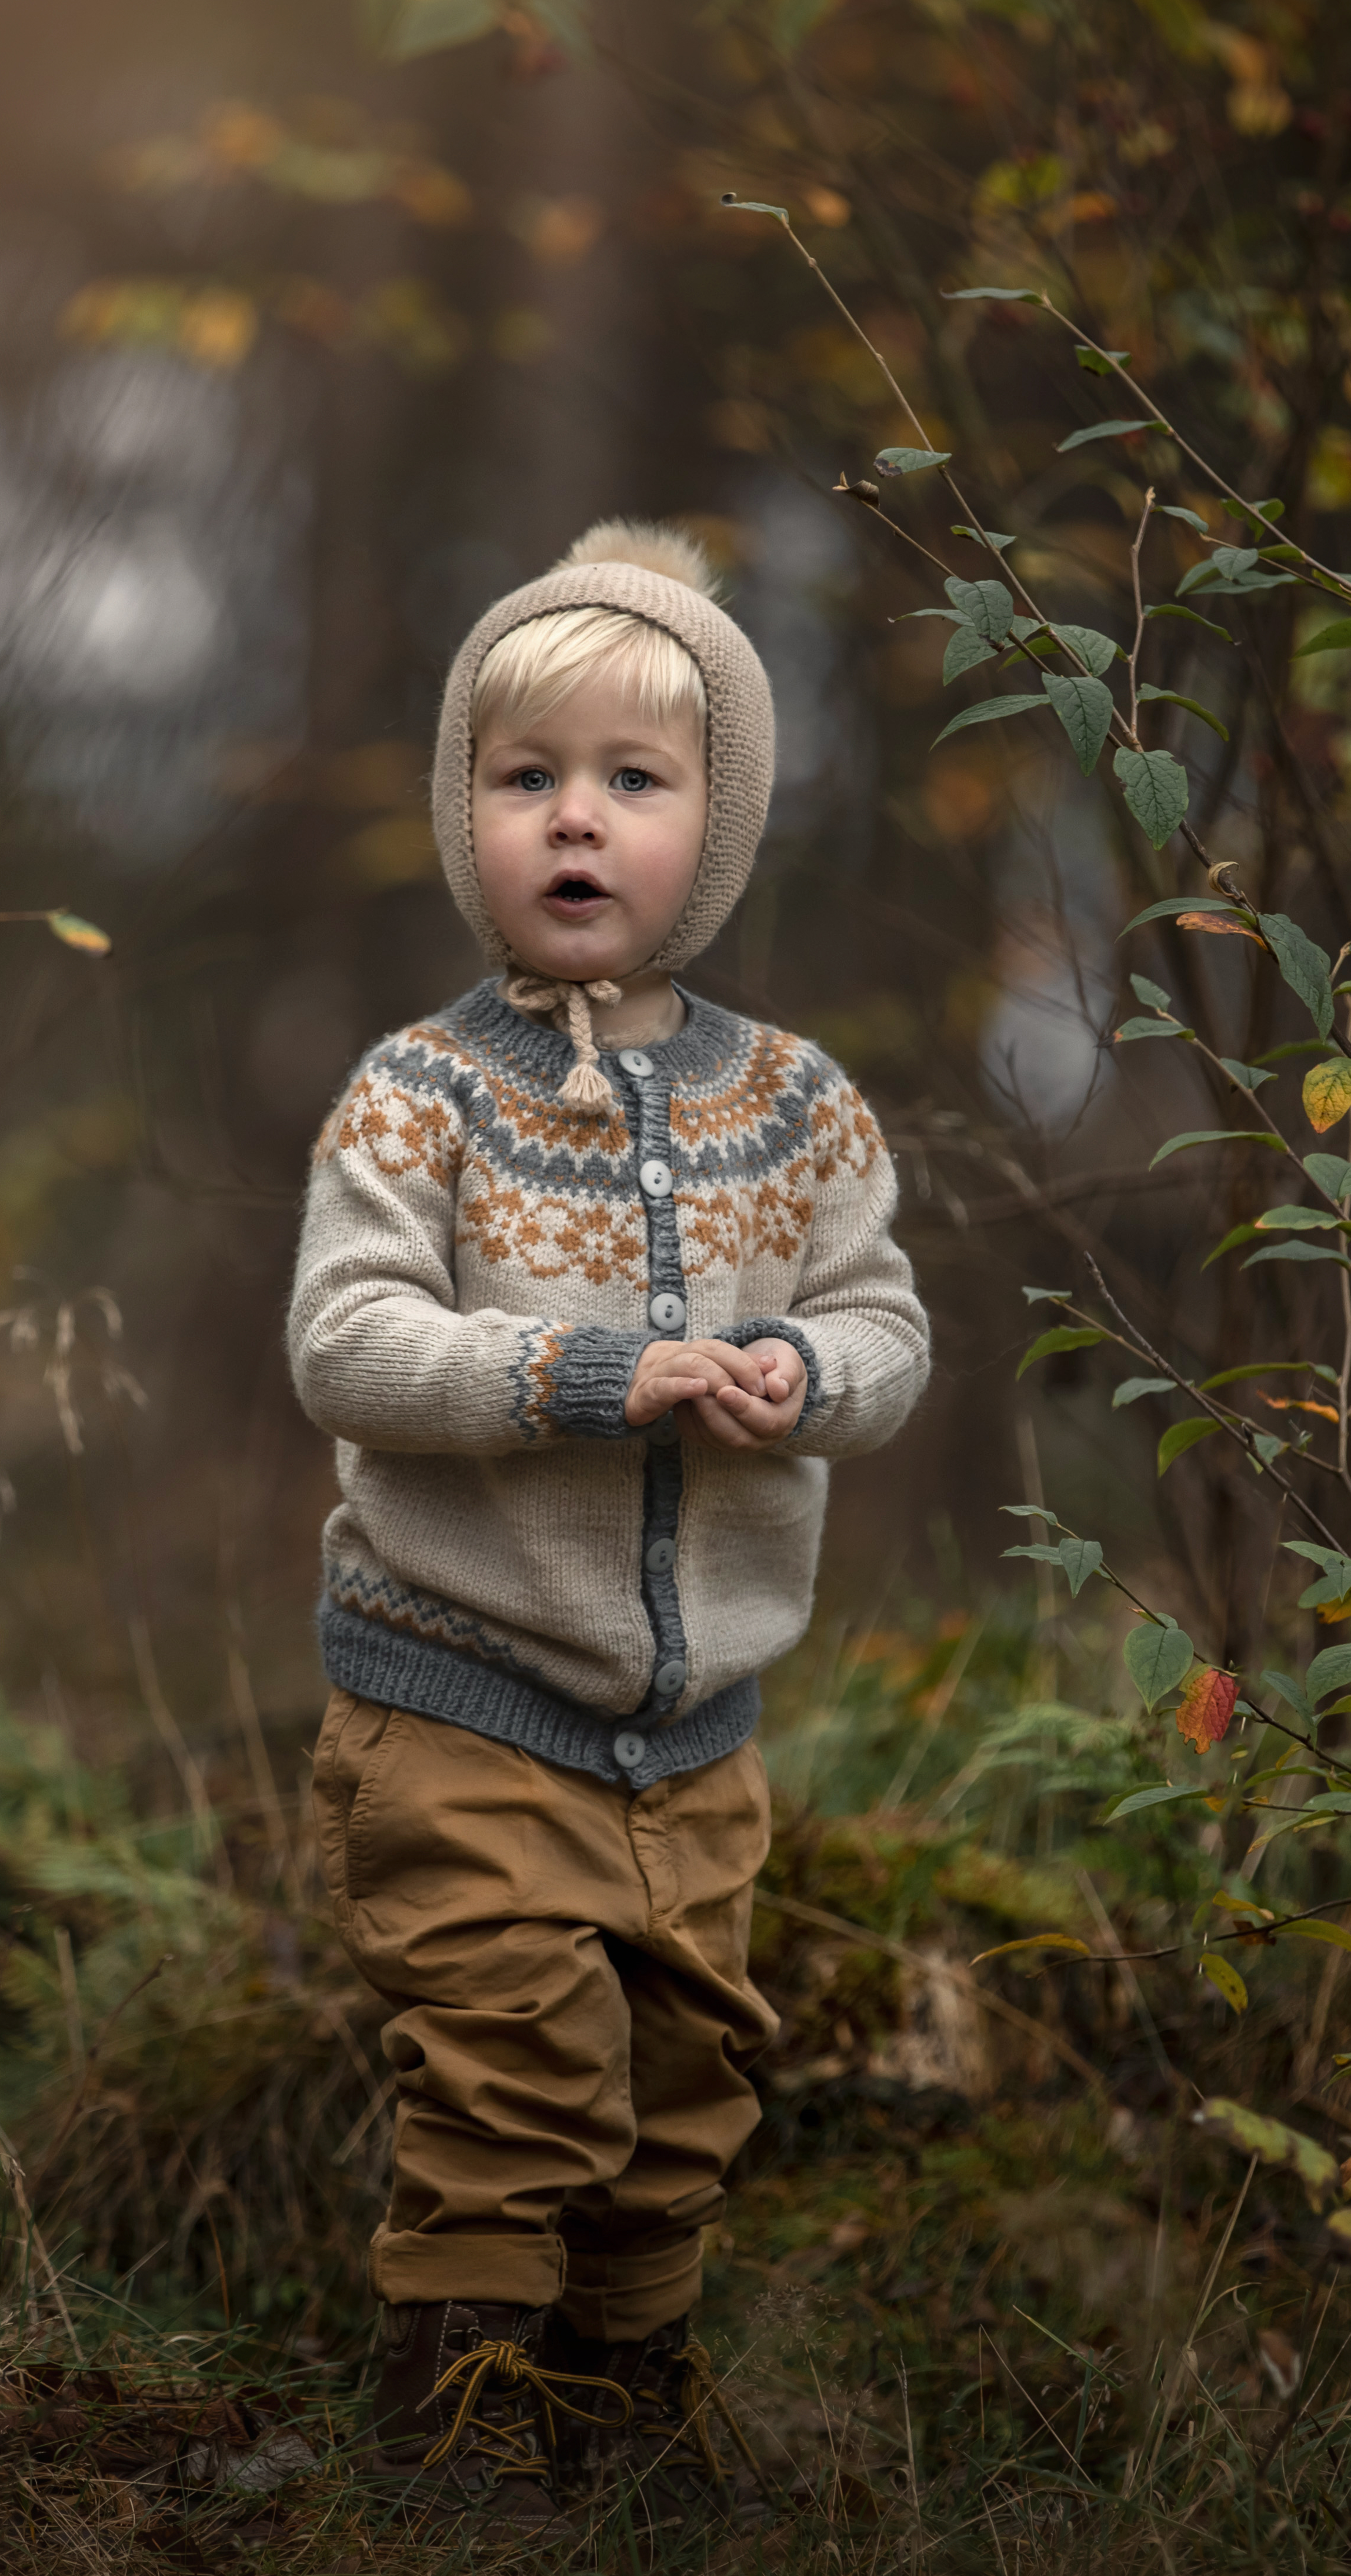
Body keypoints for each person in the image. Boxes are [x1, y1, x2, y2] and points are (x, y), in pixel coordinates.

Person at [286, 519, 932, 2525]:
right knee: (514, 2061)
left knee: (682, 2077)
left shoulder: (799, 1101)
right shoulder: (419, 1095)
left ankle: (628, 2385)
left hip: (698, 1732)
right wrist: (575, 1371)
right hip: (462, 1697)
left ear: (712, 829)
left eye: (632, 783)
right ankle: (461, 2413)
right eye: (524, 777)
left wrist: (800, 1380)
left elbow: (885, 1326)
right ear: (462, 816)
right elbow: (344, 1341)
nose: (576, 822)